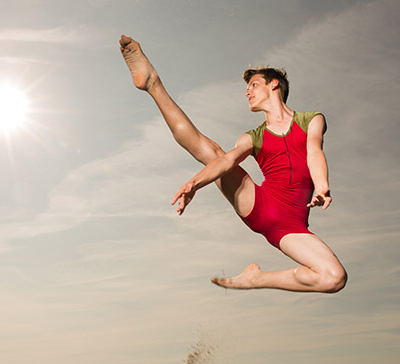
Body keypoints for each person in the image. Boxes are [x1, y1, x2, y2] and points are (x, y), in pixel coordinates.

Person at [119, 35, 346, 293]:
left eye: (253, 84)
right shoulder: (253, 137)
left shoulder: (311, 120)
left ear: (274, 84)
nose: (247, 91)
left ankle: (256, 279)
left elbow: (314, 151)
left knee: (333, 277)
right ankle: (153, 84)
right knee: (214, 152)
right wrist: (195, 182)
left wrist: (322, 186)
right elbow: (226, 162)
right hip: (260, 204)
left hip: (291, 226)